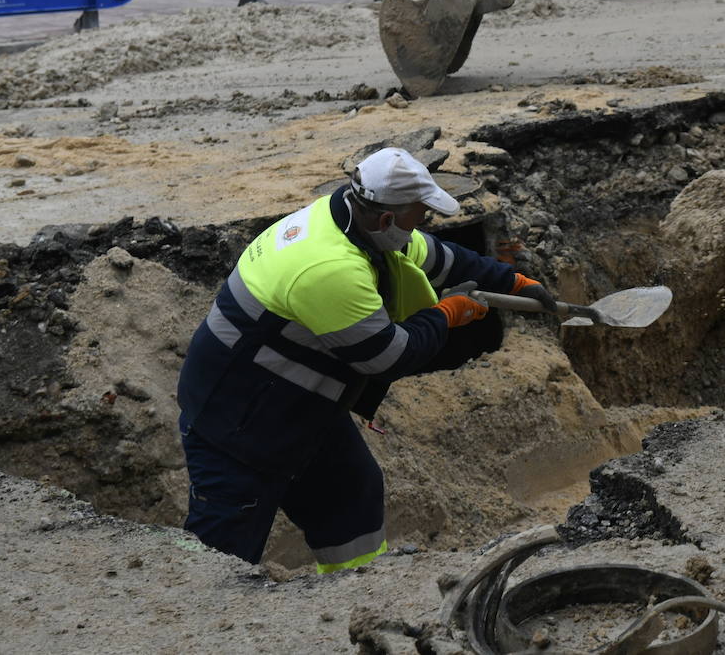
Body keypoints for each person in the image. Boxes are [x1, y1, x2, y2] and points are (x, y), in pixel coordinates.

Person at [176, 147, 557, 573]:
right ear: (387, 219)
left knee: (350, 492)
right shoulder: (330, 269)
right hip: (237, 424)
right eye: (420, 215)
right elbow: (387, 356)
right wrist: (446, 314)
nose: (423, 225)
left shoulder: (352, 219)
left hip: (297, 408)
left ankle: (355, 588)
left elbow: (437, 256)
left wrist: (511, 280)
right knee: (223, 549)